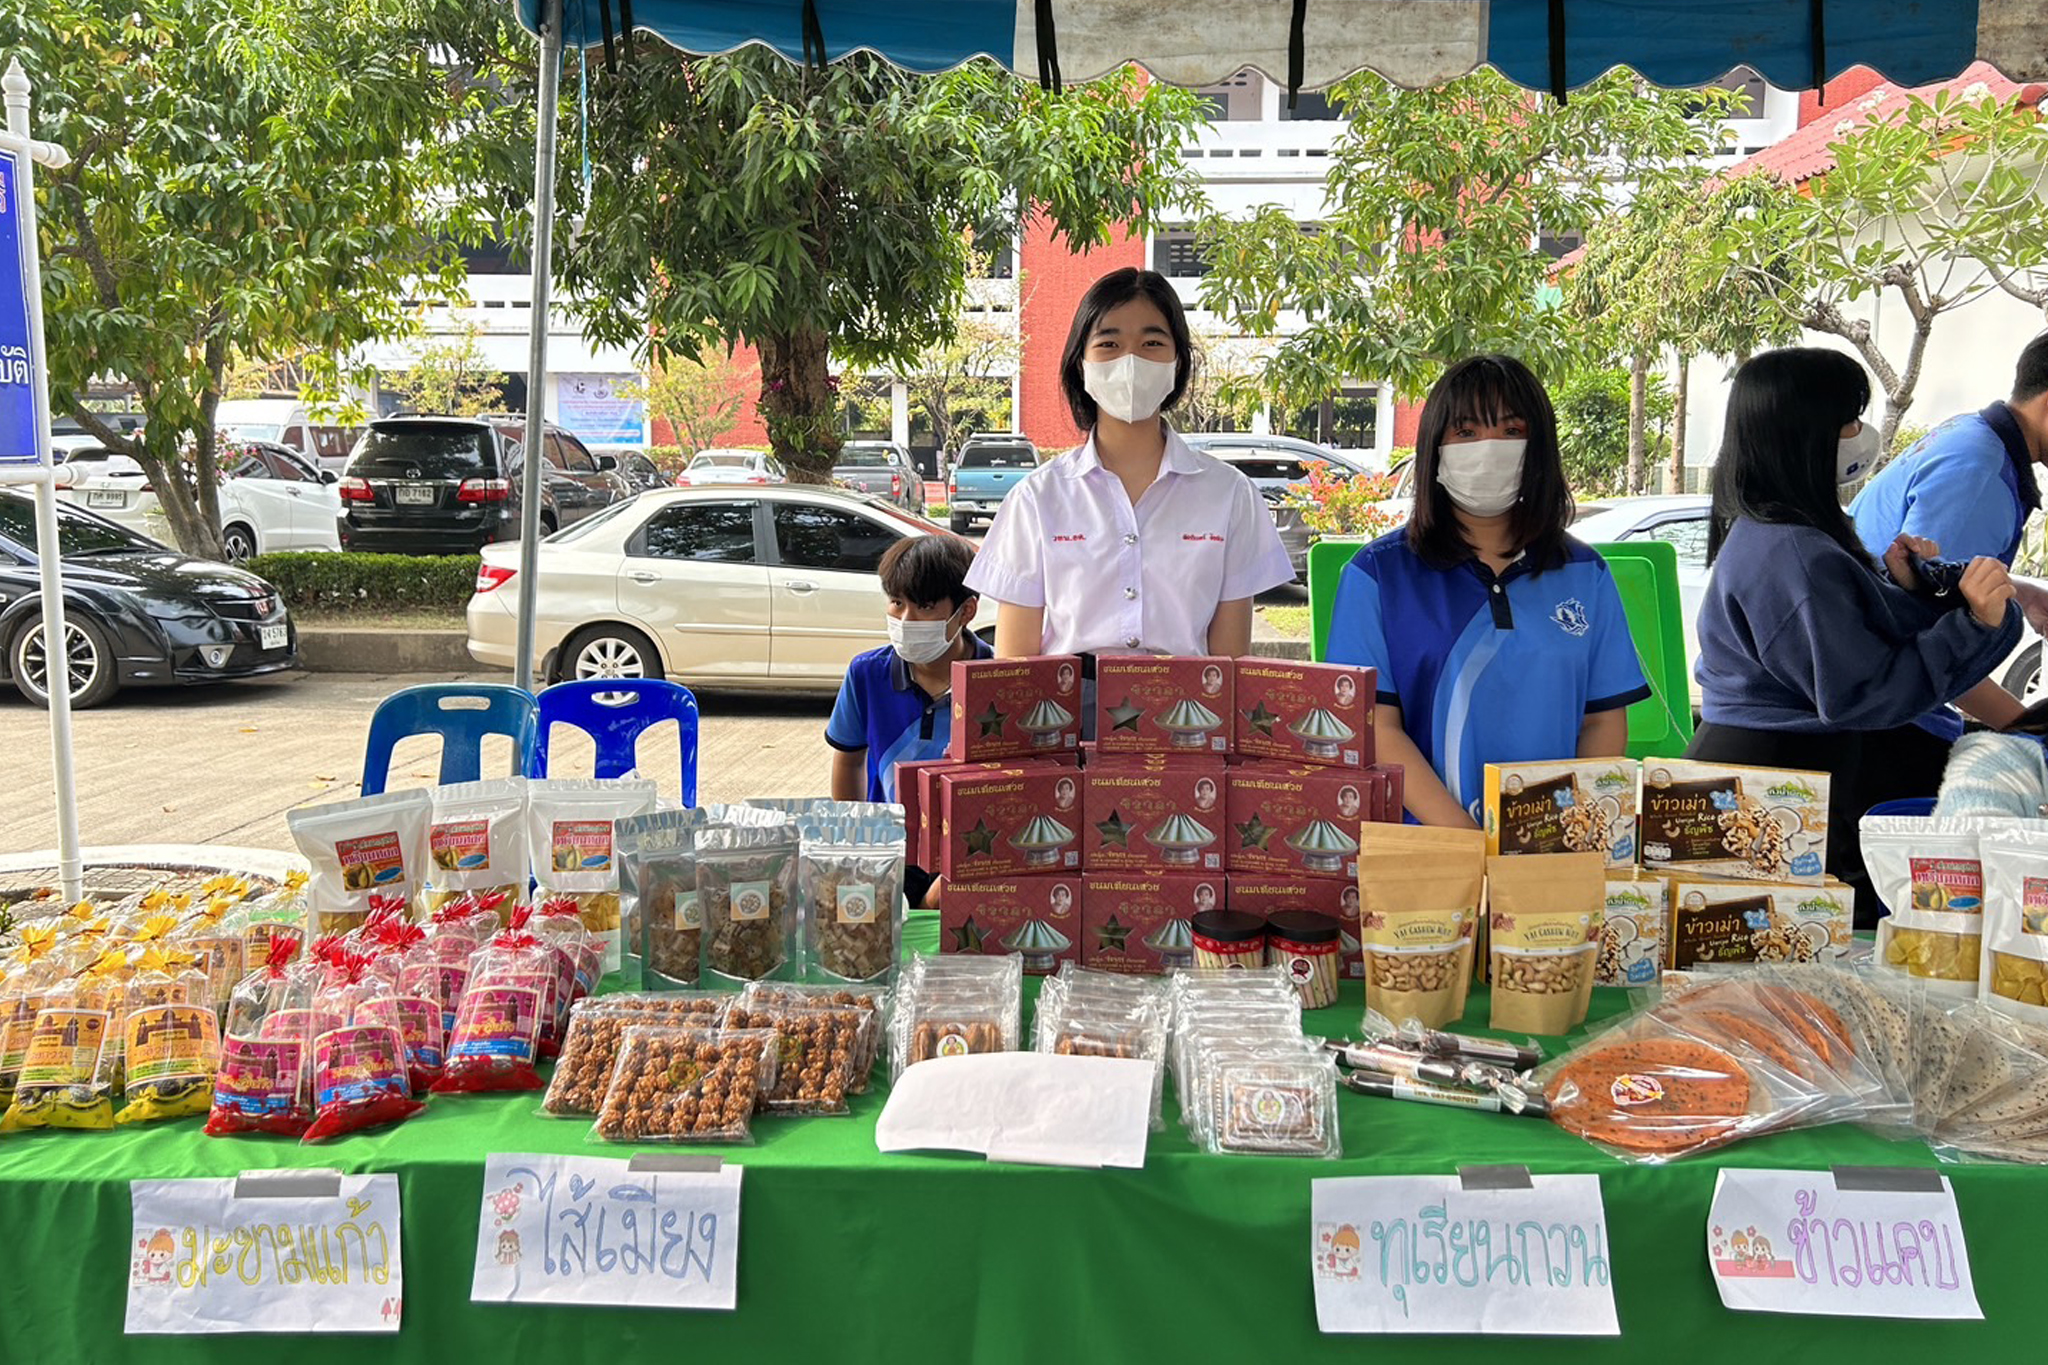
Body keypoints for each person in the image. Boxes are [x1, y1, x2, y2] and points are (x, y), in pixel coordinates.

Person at [1688, 348, 2022, 925]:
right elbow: (1863, 691)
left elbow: (1866, 642)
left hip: (1799, 772)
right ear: (1806, 431)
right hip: (1783, 784)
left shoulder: (1799, 533)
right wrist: (1972, 625)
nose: (1859, 434)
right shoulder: (1790, 550)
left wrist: (1917, 591)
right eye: (1848, 419)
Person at [1326, 355, 1649, 826]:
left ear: (1539, 448)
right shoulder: (1377, 575)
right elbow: (1374, 727)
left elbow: (1601, 720)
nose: (1490, 448)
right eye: (1467, 432)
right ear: (1435, 446)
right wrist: (1468, 840)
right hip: (1428, 856)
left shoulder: (1586, 574)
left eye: (1513, 431)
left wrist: (1568, 827)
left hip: (1550, 854)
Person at [965, 268, 1294, 694]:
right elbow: (1015, 664)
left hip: (1187, 713)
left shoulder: (1229, 495)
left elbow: (1229, 663)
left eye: (1152, 343)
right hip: (1065, 717)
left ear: (1178, 361)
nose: (1131, 361)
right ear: (1080, 363)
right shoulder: (1036, 498)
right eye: (1109, 344)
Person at [1848, 330, 2048, 732]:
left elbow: (1934, 581)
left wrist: (2022, 594)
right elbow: (1935, 642)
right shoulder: (1981, 476)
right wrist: (2030, 731)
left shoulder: (1970, 435)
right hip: (1879, 711)